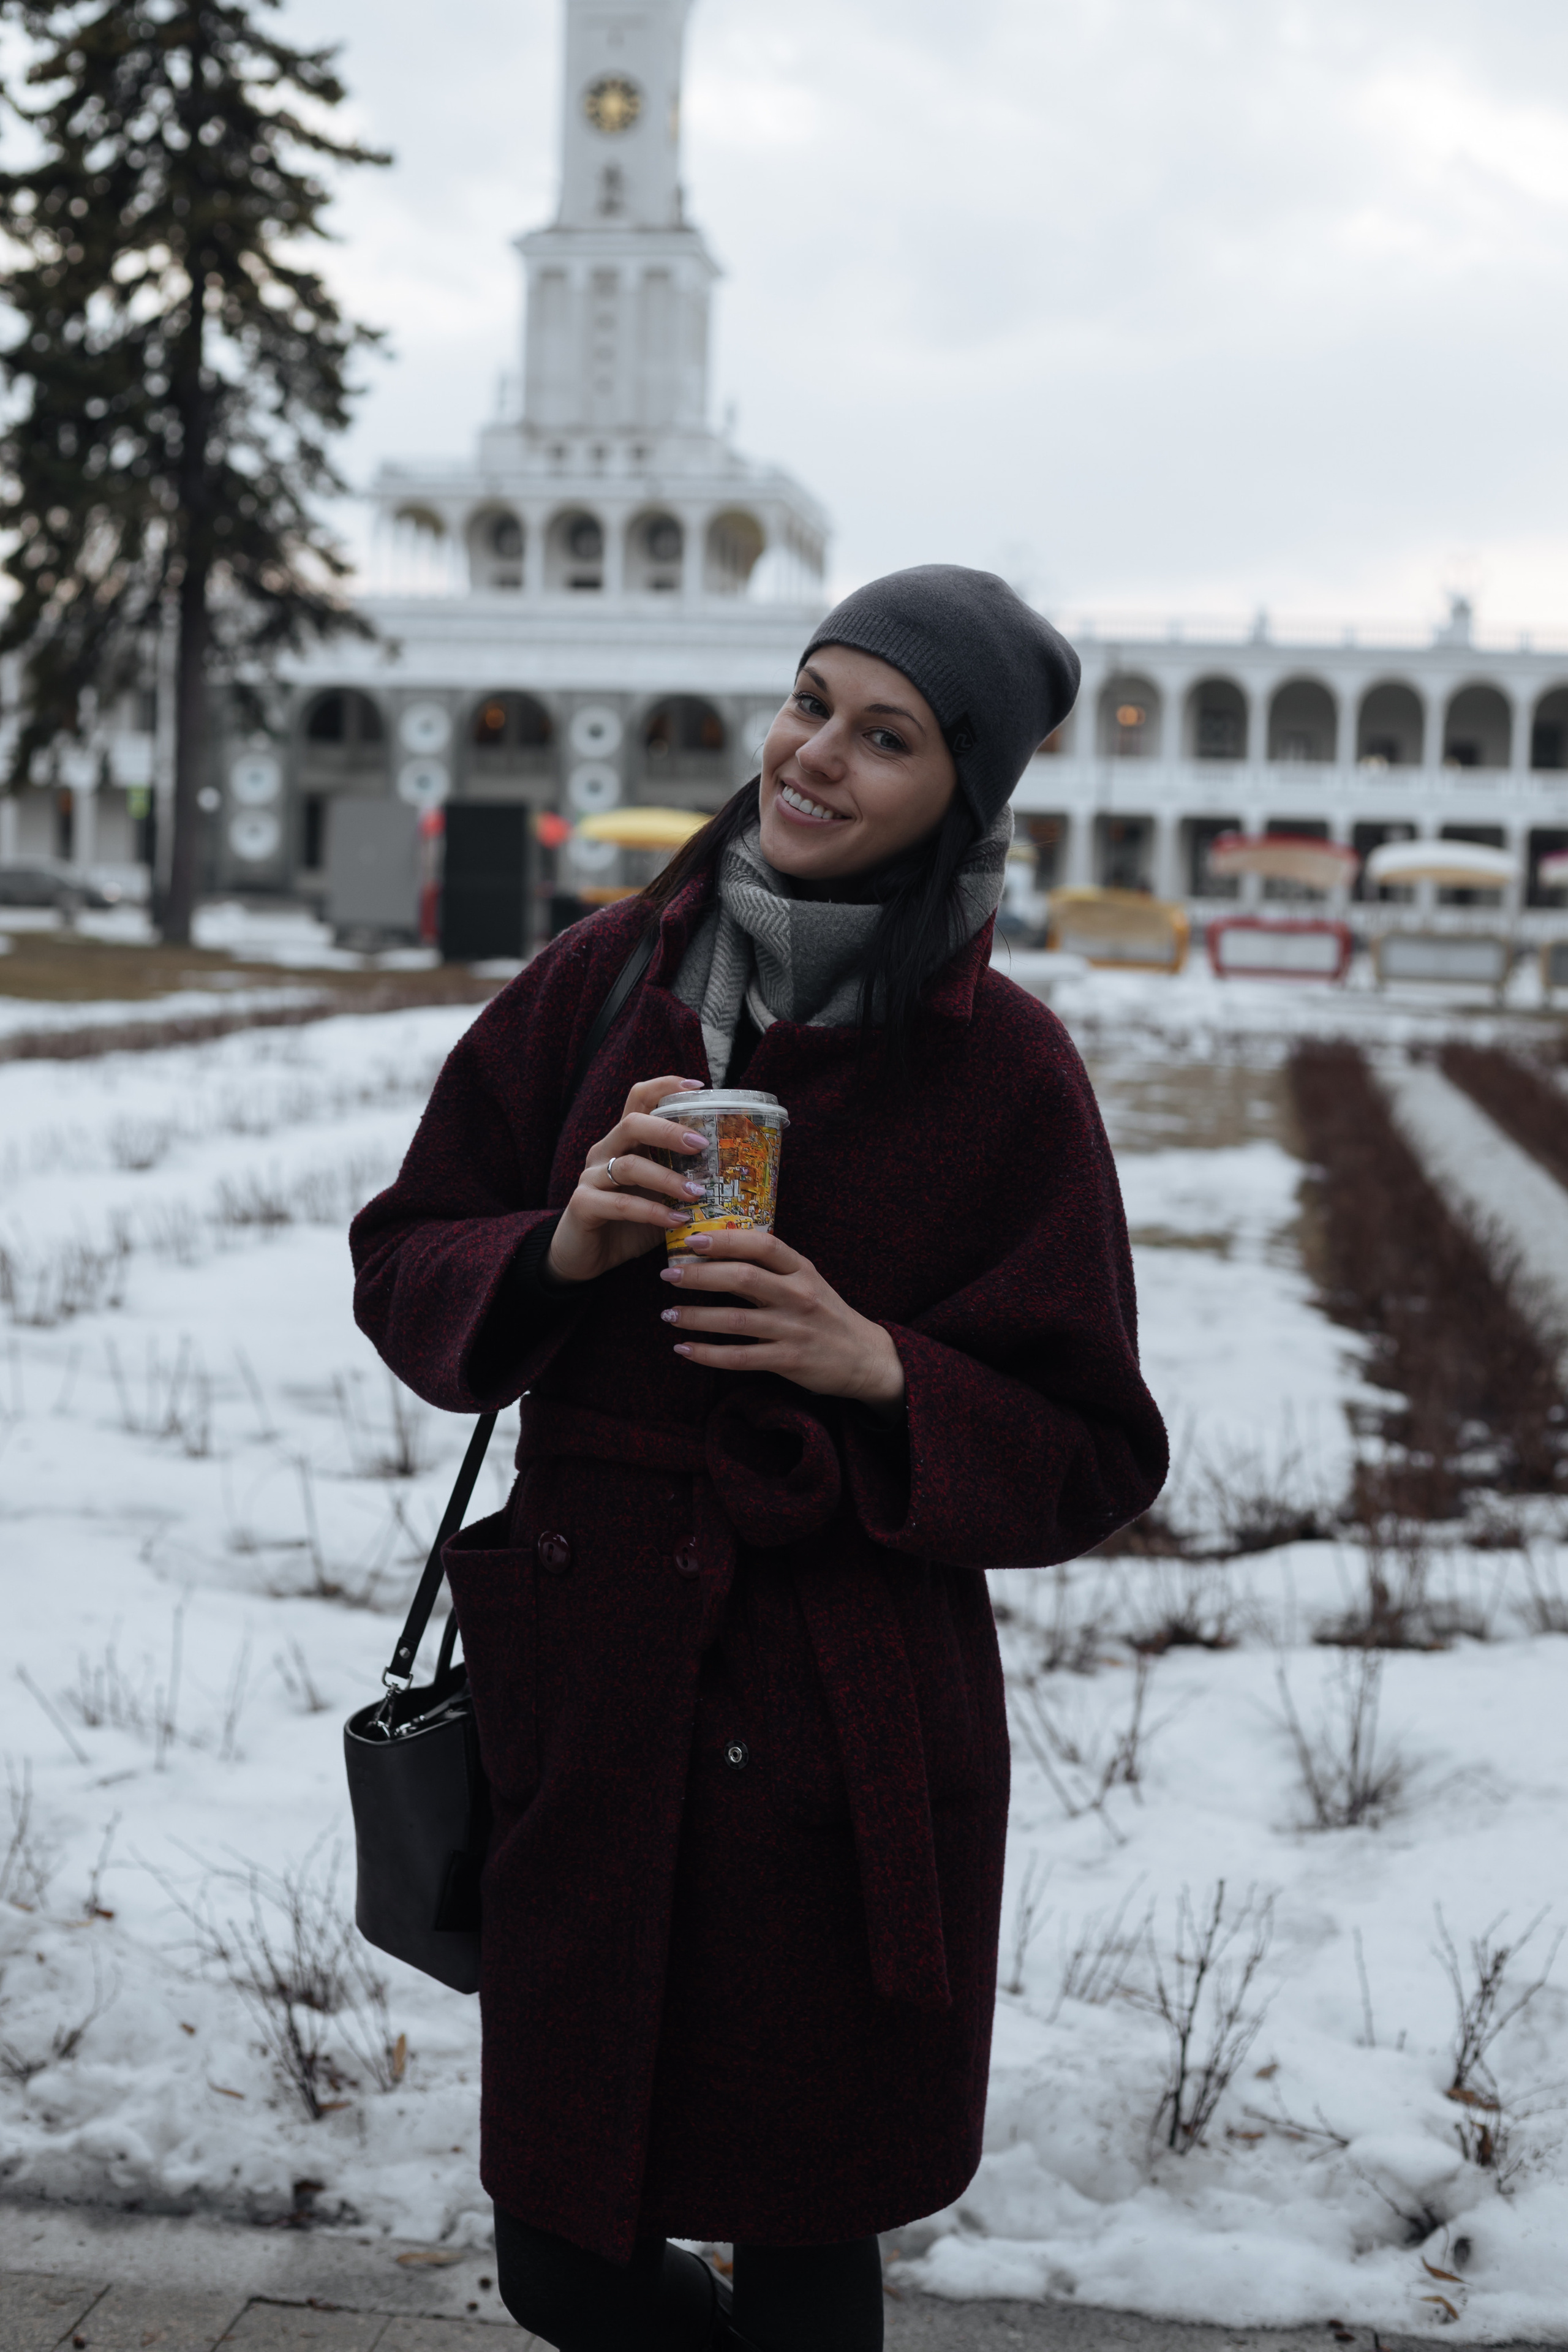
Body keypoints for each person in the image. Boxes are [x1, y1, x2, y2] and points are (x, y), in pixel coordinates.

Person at [350, 565, 1168, 2352]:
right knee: (562, 2252)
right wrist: (558, 1248)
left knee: (806, 2247)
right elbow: (403, 1254)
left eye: (889, 737)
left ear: (968, 790)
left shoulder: (1006, 1072)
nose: (818, 757)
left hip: (840, 1727)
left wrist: (878, 1366)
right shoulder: (595, 985)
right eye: (812, 703)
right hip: (593, 1702)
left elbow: (1096, 1450)